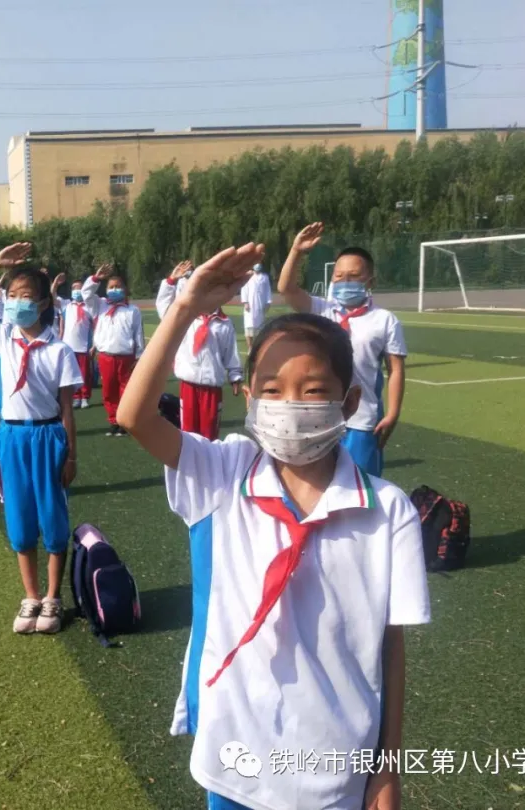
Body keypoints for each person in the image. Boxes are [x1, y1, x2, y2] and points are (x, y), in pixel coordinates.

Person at [116, 242, 430, 810]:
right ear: (247, 399)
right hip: (234, 762)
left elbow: (391, 645)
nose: (291, 404)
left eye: (313, 391)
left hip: (336, 769)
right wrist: (185, 306)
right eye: (271, 390)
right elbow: (133, 416)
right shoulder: (223, 472)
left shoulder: (388, 511)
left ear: (350, 400)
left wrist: (386, 766)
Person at [0, 242, 82, 635]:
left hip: (48, 437)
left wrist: (71, 456)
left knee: (53, 520)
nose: (16, 304)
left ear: (44, 303)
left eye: (26, 297)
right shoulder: (0, 337)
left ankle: (53, 598)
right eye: (11, 297)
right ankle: (30, 595)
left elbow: (65, 409)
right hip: (11, 437)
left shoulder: (60, 350)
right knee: (21, 520)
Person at [277, 222, 407, 477]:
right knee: (316, 486)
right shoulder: (321, 310)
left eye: (354, 277)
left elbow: (396, 371)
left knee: (362, 489)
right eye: (339, 276)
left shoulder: (385, 320)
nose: (345, 282)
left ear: (371, 281)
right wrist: (296, 251)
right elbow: (286, 289)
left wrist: (392, 413)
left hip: (362, 421)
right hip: (318, 415)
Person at [156, 260, 243, 441]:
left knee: (210, 432)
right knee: (188, 431)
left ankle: (208, 466)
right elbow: (164, 307)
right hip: (189, 383)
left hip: (212, 388)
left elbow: (230, 352)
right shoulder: (186, 316)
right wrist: (171, 281)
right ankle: (190, 466)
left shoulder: (224, 324)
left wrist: (235, 376)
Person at [82, 265, 145, 437]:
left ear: (125, 289)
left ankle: (125, 421)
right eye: (111, 287)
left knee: (126, 390)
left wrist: (139, 355)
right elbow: (86, 294)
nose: (114, 289)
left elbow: (138, 333)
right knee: (109, 390)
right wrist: (96, 278)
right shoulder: (100, 305)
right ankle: (113, 421)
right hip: (106, 356)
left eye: (118, 286)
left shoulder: (132, 310)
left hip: (126, 356)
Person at [52, 274, 95, 409]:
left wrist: (94, 346)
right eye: (74, 288)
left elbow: (95, 328)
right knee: (72, 374)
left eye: (79, 288)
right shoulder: (66, 305)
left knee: (84, 374)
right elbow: (51, 297)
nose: (76, 290)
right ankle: (76, 397)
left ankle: (85, 397)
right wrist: (55, 283)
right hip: (68, 347)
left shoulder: (90, 307)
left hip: (83, 347)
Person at [239, 262, 272, 351]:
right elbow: (244, 288)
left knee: (259, 327)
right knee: (249, 326)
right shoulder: (248, 276)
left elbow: (268, 290)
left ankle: (257, 347)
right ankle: (250, 347)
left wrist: (268, 302)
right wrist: (245, 302)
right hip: (250, 306)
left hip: (260, 305)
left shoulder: (265, 277)